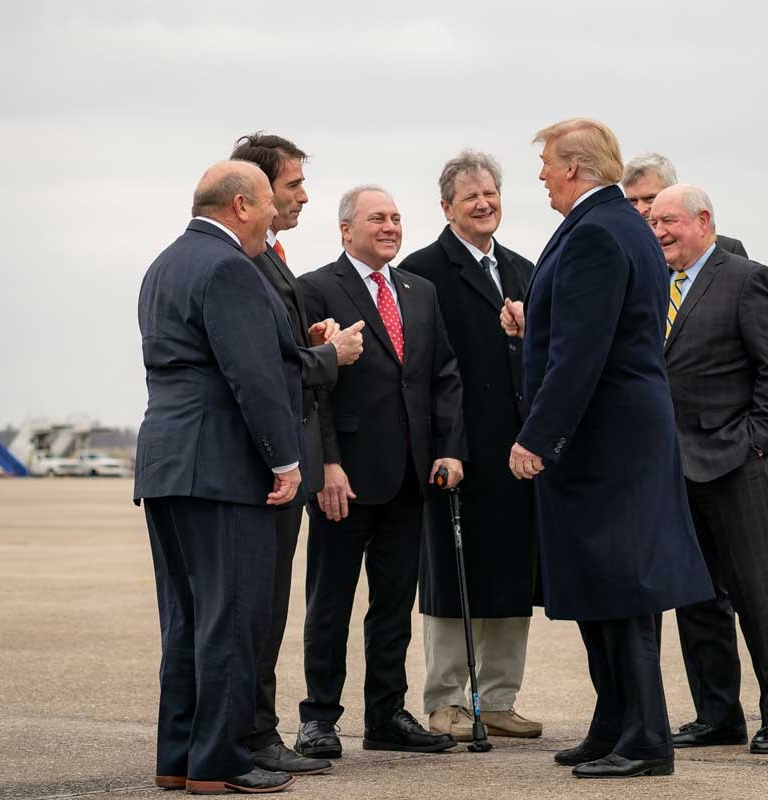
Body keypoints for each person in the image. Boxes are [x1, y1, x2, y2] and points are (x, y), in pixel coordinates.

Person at [509, 118, 714, 779]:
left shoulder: (599, 230)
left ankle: (646, 738)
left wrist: (539, 435)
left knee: (622, 589)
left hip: (606, 443)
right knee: (601, 587)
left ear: (574, 167)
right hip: (616, 438)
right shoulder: (614, 225)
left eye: (545, 163)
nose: (540, 174)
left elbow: (581, 351)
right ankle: (614, 723)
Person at [134, 160, 313, 794]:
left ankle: (177, 757)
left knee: (185, 618)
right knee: (231, 617)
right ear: (240, 205)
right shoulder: (230, 267)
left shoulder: (164, 265)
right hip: (222, 469)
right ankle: (220, 762)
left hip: (166, 464)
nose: (274, 214)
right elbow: (254, 376)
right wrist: (285, 460)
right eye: (268, 202)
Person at [295, 186, 465, 757]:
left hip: (411, 476)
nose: (391, 227)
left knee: (393, 605)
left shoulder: (420, 292)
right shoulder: (316, 289)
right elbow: (309, 390)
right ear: (346, 230)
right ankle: (318, 718)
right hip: (346, 480)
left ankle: (387, 715)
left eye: (395, 218)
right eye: (377, 218)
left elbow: (442, 374)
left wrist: (450, 448)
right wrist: (328, 465)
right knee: (331, 603)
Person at [650, 184, 768, 754]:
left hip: (734, 466)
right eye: (653, 223)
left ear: (703, 220)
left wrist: (755, 445)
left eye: (668, 221)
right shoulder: (655, 286)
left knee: (755, 595)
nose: (658, 231)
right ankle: (718, 715)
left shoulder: (746, 278)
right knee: (695, 599)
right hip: (673, 470)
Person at [228, 133, 363, 775]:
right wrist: (326, 358)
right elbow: (261, 369)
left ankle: (260, 731)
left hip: (286, 459)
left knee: (271, 605)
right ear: (254, 193)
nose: (303, 196)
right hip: (264, 465)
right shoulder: (244, 262)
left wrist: (306, 341)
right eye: (293, 186)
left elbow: (273, 350)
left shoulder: (269, 258)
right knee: (259, 607)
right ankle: (254, 735)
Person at [400, 150, 542, 741]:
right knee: (453, 577)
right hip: (454, 452)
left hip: (518, 452)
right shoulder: (423, 270)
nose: (484, 205)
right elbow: (420, 370)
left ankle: (501, 699)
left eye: (492, 194)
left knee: (513, 574)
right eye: (470, 198)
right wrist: (443, 444)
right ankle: (448, 700)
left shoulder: (525, 269)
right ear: (446, 207)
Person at [621, 153, 747, 256]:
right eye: (632, 201)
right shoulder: (622, 252)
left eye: (650, 198)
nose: (640, 209)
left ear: (673, 190)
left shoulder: (728, 249)